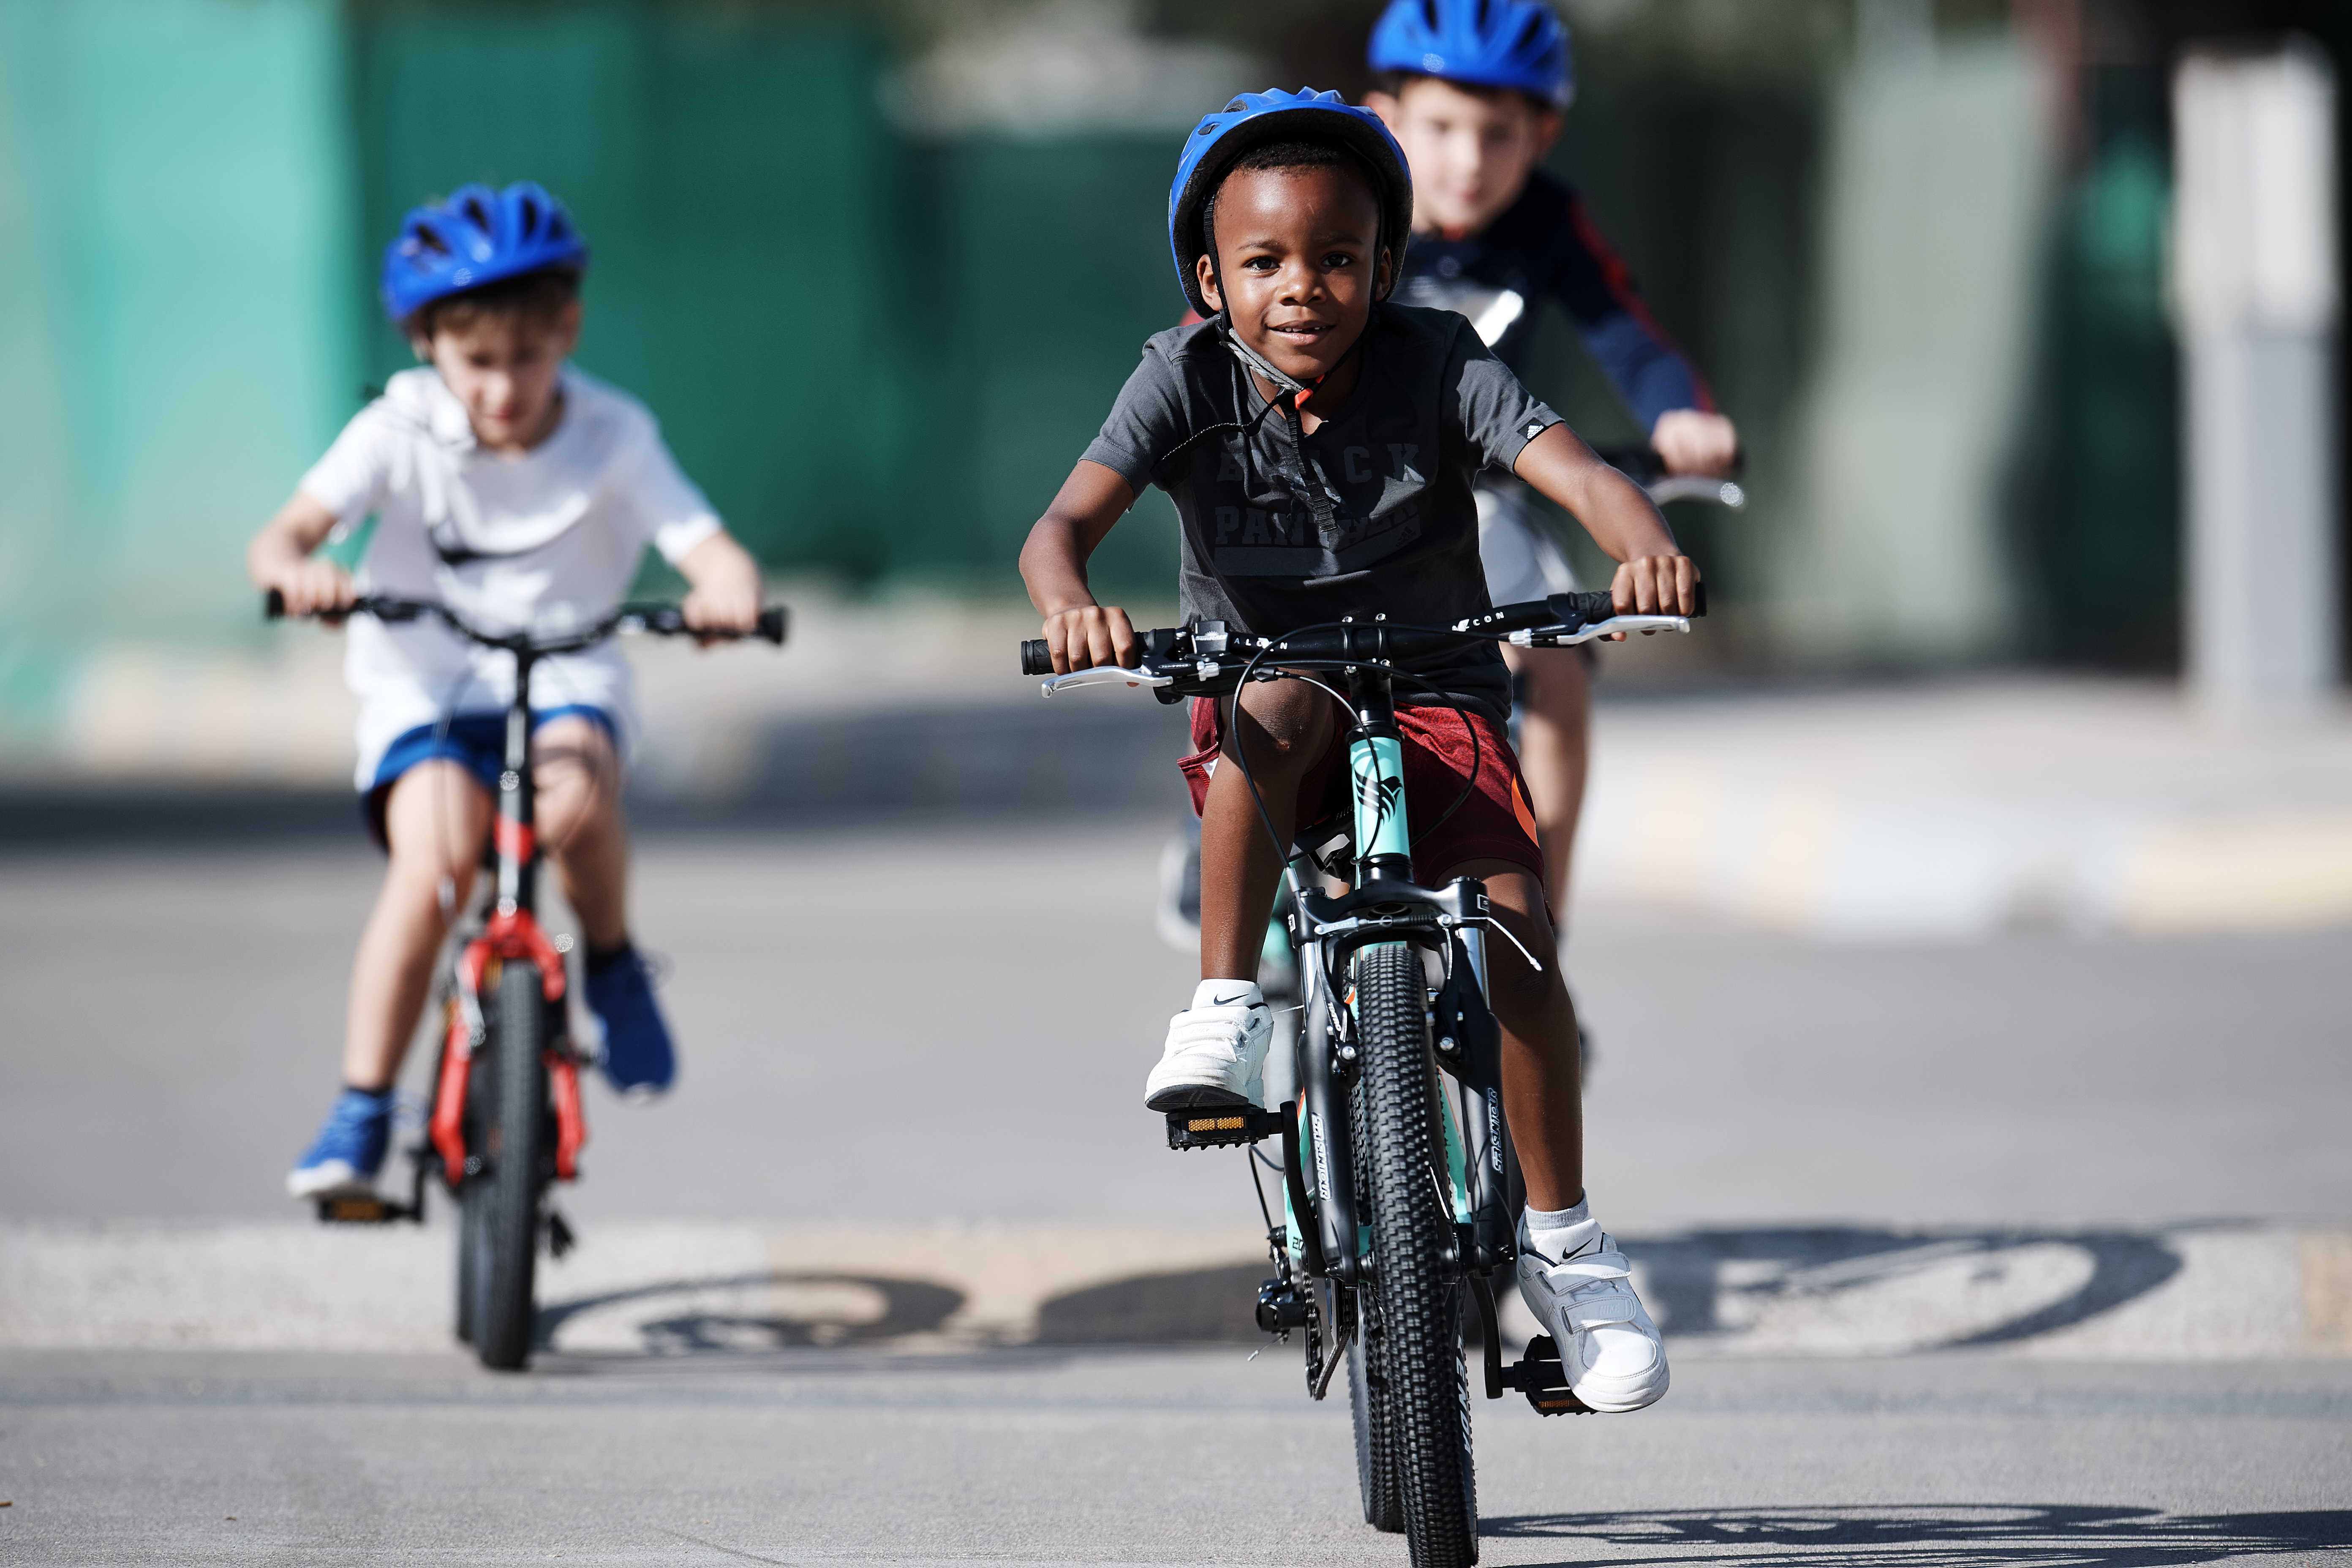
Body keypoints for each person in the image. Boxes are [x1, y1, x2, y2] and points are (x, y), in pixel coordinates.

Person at [1018, 89, 1695, 1412]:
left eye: (1337, 259)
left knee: (1516, 927)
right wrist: (1071, 607)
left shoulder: (1443, 360)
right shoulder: (1182, 376)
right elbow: (1060, 530)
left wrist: (1642, 548)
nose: (1304, 288)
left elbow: (1578, 473)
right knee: (1277, 706)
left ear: (1386, 264)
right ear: (1210, 278)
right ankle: (1221, 1007)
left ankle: (1566, 1245)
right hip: (1270, 700)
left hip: (1439, 694)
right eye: (1264, 262)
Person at [248, 182, 765, 1201]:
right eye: (475, 361)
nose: (500, 388)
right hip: (426, 688)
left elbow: (712, 551)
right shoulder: (397, 429)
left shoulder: (615, 431)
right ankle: (361, 1106)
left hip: (567, 673)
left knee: (574, 803)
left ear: (566, 330)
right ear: (427, 345)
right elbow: (282, 537)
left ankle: (610, 962)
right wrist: (296, 572)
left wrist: (727, 595)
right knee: (433, 869)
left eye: (525, 357)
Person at [1364, 0, 1738, 906]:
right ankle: (1214, 827)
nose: (1468, 160)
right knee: (1259, 672)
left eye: (1498, 134)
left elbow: (1627, 333)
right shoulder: (1345, 204)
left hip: (1479, 501)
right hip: (1333, 503)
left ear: (1544, 135)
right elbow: (1238, 309)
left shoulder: (1547, 222)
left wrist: (1682, 412)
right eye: (1442, 127)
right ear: (1386, 118)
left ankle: (1542, 934)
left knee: (1558, 672)